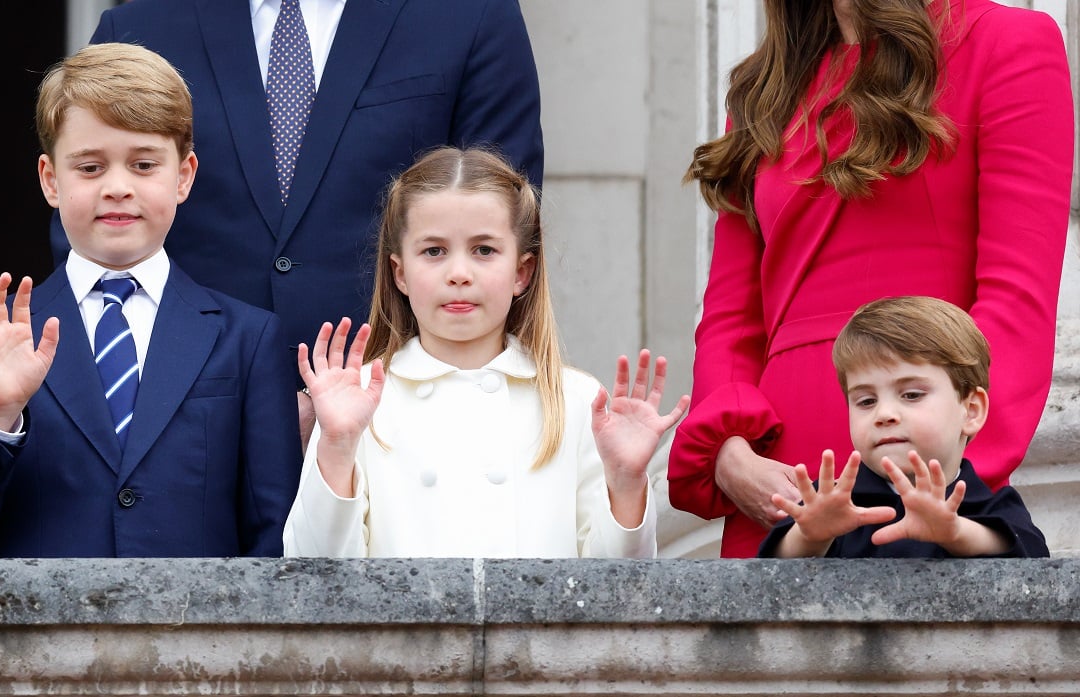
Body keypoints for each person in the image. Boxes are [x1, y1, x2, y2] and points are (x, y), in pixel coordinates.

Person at [668, 0, 1074, 557]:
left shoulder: (1006, 41)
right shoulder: (765, 88)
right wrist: (729, 454)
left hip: (922, 479)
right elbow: (731, 315)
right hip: (782, 489)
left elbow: (1017, 299)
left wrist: (949, 480)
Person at [50, 0, 545, 448]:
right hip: (184, 432)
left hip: (405, 422)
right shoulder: (141, 24)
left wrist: (362, 391)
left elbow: (500, 231)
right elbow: (95, 247)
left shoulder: (470, 15)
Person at [0, 43, 302, 557]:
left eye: (143, 165)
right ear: (51, 179)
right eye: (89, 168)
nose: (117, 187)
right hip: (41, 633)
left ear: (183, 175)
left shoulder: (248, 338)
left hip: (199, 634)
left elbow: (276, 531)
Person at [281, 146, 691, 558]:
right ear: (400, 274)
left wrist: (625, 481)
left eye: (484, 250)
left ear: (522, 272)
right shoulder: (359, 400)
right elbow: (316, 577)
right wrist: (335, 444)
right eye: (434, 251)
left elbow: (618, 594)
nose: (459, 274)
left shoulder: (576, 401)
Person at [758, 296, 1049, 558]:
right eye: (866, 401)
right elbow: (770, 579)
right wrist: (810, 536)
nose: (883, 414)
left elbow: (1034, 564)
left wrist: (956, 533)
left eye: (911, 395)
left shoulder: (988, 505)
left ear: (970, 410)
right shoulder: (835, 503)